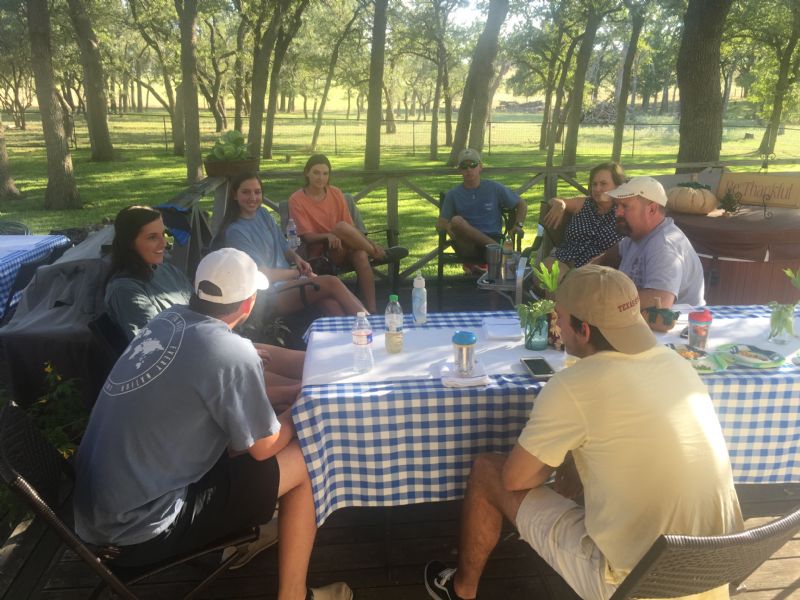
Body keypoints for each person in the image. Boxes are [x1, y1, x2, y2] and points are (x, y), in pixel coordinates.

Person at [424, 265, 742, 600]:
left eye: (559, 317)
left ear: (584, 330)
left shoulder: (574, 385)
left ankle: (461, 590)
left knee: (488, 472)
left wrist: (557, 460)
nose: (556, 325)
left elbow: (514, 480)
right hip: (715, 573)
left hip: (636, 586)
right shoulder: (677, 364)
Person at [75, 248, 353, 600]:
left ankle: (259, 522)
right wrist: (307, 402)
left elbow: (226, 384)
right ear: (249, 303)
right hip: (139, 532)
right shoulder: (229, 352)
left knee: (253, 436)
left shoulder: (168, 320)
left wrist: (288, 393)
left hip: (96, 515)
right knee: (306, 458)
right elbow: (264, 446)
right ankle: (294, 595)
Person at [105, 205, 303, 410]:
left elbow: (199, 313)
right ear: (129, 243)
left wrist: (233, 346)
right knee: (298, 388)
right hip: (189, 371)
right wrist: (231, 353)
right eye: (152, 237)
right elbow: (157, 351)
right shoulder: (125, 290)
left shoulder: (164, 269)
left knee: (302, 362)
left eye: (164, 234)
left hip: (211, 348)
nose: (164, 243)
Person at [216, 172, 366, 317]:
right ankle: (370, 323)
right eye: (246, 192)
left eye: (257, 192)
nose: (253, 198)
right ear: (235, 195)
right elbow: (260, 274)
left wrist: (297, 259)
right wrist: (298, 273)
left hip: (288, 282)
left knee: (331, 304)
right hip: (266, 295)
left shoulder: (263, 213)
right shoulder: (235, 232)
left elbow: (284, 245)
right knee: (331, 283)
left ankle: (356, 336)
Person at [289, 154, 408, 313]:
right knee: (340, 228)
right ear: (307, 173)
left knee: (360, 254)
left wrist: (369, 243)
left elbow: (352, 230)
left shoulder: (336, 193)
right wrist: (328, 236)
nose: (321, 178)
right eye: (316, 173)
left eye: (325, 173)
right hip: (323, 254)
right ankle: (380, 254)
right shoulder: (297, 199)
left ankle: (371, 311)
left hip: (346, 247)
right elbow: (307, 236)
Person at [594, 175, 705, 310]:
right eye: (617, 206)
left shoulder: (664, 245)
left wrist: (602, 299)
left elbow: (660, 302)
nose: (618, 213)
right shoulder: (635, 235)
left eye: (625, 206)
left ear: (651, 209)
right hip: (646, 322)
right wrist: (579, 277)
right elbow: (607, 259)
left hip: (676, 327)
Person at [437, 148, 526, 271]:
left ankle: (481, 266)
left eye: (473, 165)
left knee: (491, 253)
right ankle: (499, 253)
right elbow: (440, 223)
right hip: (468, 246)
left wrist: (518, 225)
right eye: (464, 166)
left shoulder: (494, 188)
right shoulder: (453, 194)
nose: (469, 169)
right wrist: (446, 225)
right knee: (457, 221)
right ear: (460, 170)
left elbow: (521, 204)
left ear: (480, 167)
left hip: (493, 238)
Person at [542, 161, 625, 269]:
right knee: (548, 270)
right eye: (594, 184)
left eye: (603, 184)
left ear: (617, 186)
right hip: (563, 262)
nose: (597, 189)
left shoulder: (624, 211)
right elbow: (554, 200)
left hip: (600, 271)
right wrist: (560, 204)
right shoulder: (584, 203)